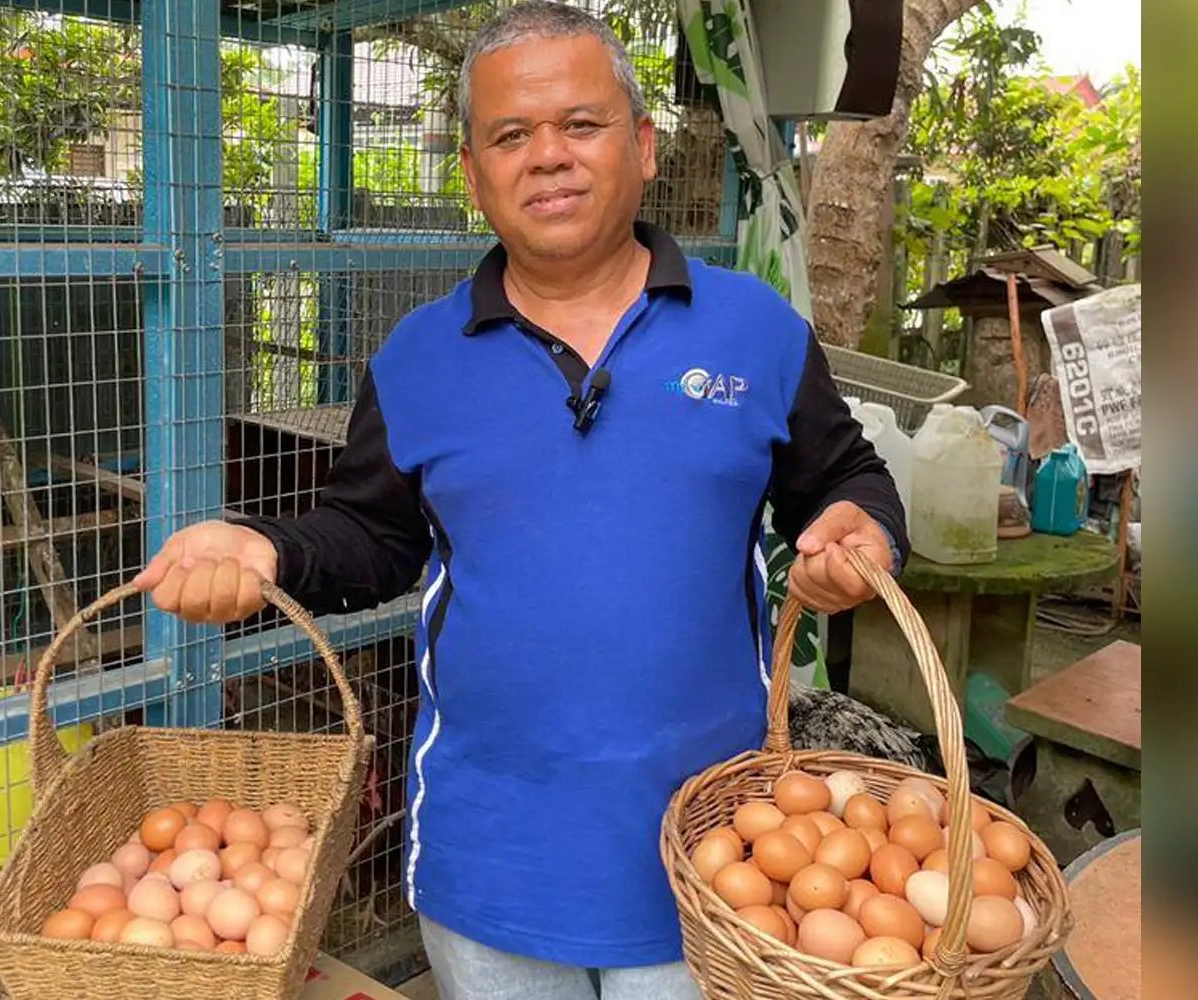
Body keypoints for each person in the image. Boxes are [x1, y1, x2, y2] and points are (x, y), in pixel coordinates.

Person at [132, 3, 907, 996]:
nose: (547, 157)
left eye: (580, 125)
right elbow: (371, 537)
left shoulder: (755, 330)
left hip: (715, 852)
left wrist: (863, 524)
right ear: (471, 173)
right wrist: (267, 553)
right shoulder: (417, 358)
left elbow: (844, 475)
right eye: (510, 135)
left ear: (640, 145)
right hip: (492, 852)